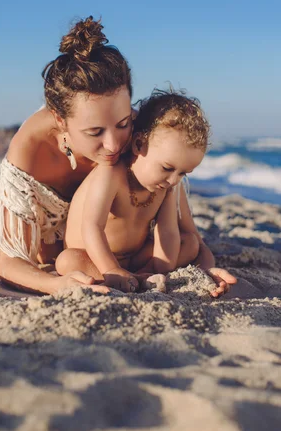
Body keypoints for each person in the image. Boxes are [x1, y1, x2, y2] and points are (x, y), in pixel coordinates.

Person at [0, 16, 134, 295]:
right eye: (95, 132)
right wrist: (56, 284)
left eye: (123, 123)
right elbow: (8, 261)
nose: (113, 144)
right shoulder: (30, 152)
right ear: (60, 120)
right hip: (61, 257)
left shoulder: (139, 131)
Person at [56, 89, 237, 298]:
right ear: (139, 144)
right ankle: (130, 278)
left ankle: (141, 277)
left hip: (137, 257)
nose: (173, 180)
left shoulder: (169, 185)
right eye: (167, 168)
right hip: (93, 257)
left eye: (183, 173)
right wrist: (111, 269)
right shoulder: (111, 174)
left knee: (190, 243)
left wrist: (168, 269)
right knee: (67, 261)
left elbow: (168, 233)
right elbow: (92, 227)